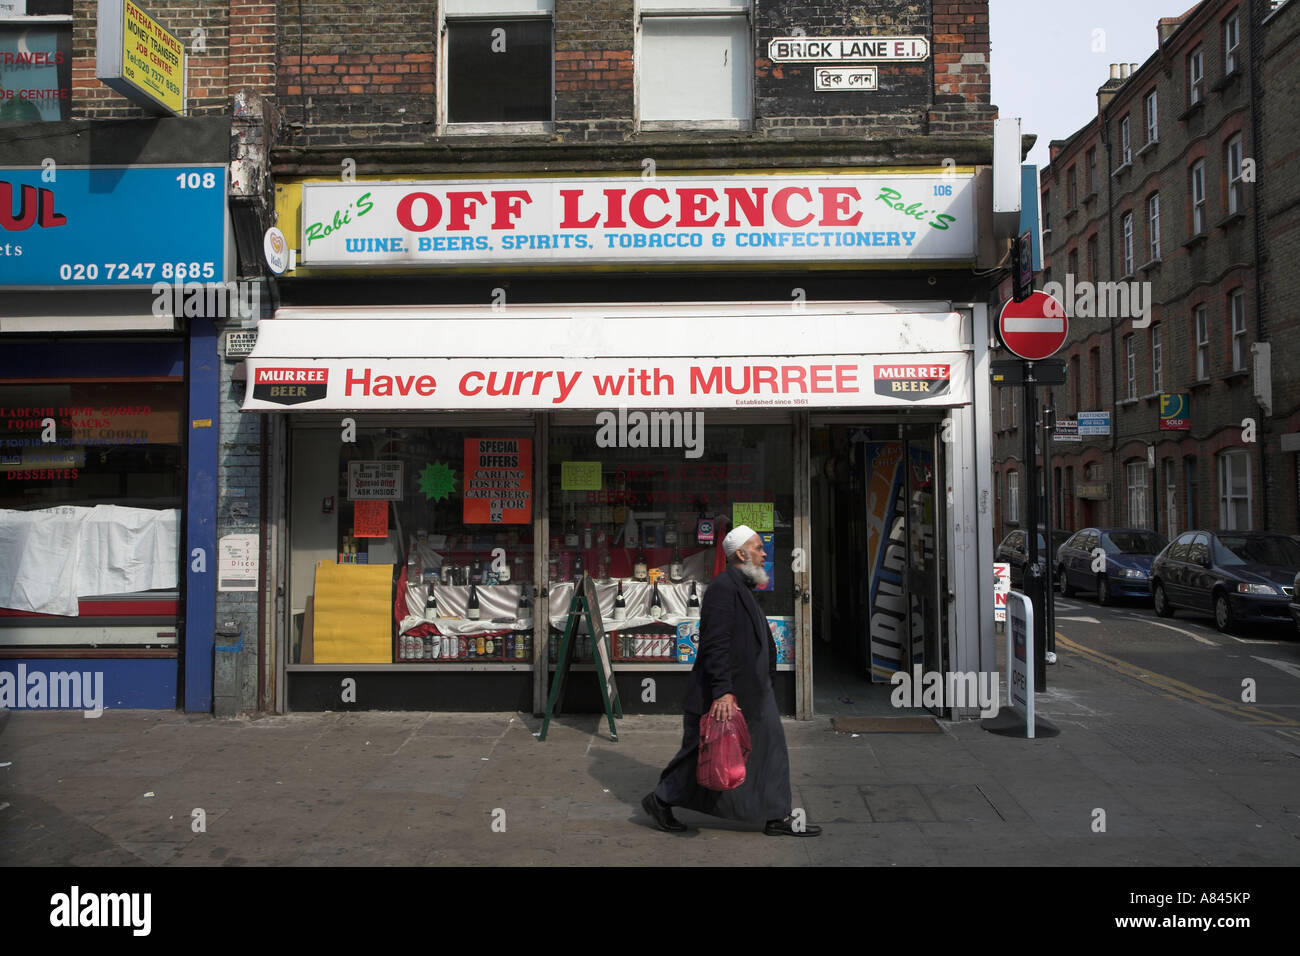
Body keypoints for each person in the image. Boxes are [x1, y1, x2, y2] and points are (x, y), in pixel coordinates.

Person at [642, 525, 821, 837]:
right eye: (758, 547)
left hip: (752, 691)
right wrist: (723, 691)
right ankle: (660, 800)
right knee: (702, 753)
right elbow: (715, 644)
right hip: (730, 694)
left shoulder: (741, 587)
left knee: (768, 751)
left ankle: (776, 815)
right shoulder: (724, 588)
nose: (765, 554)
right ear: (741, 553)